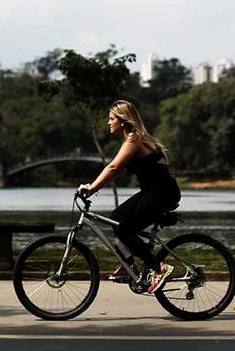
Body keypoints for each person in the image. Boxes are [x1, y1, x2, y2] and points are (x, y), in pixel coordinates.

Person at [77, 99, 181, 294]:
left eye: (111, 119)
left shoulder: (135, 139)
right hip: (151, 192)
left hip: (162, 193)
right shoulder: (133, 139)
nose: (108, 122)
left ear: (123, 121)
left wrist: (91, 188)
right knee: (116, 218)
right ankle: (129, 267)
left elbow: (114, 168)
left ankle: (158, 267)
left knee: (125, 230)